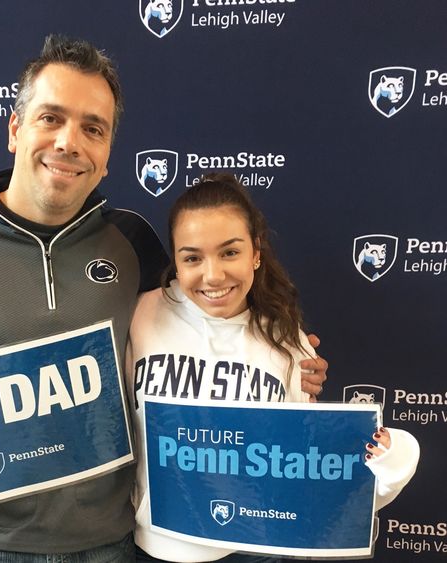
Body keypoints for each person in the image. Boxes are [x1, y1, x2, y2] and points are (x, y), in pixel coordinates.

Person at [0, 36, 328, 562]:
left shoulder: (132, 241)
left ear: (108, 153)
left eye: (93, 128)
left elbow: (199, 319)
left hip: (110, 544)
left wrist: (284, 356)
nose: (70, 142)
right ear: (15, 128)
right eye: (51, 118)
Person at [126, 173, 419, 563]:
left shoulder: (287, 342)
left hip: (251, 548)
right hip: (154, 546)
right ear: (176, 262)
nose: (213, 275)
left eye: (230, 252)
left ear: (256, 253)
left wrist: (393, 460)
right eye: (192, 257)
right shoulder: (140, 311)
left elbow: (305, 467)